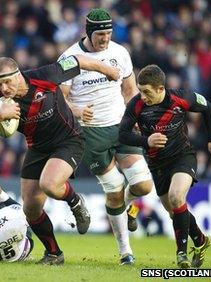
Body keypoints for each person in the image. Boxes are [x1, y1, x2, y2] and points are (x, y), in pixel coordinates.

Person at [0, 55, 120, 265]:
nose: (3, 88)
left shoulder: (45, 75)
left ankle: (75, 202)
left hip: (69, 140)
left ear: (18, 74)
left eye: (7, 81)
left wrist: (108, 70)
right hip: (37, 149)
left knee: (49, 184)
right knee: (30, 208)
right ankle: (54, 254)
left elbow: (77, 60)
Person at [59, 8, 154, 265]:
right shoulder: (69, 58)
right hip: (91, 134)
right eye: (100, 34)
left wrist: (136, 119)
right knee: (114, 189)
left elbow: (130, 90)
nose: (105, 39)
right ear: (89, 32)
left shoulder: (119, 52)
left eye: (109, 33)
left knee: (143, 186)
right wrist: (77, 110)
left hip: (121, 126)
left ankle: (124, 207)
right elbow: (60, 99)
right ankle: (126, 252)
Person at [119, 64, 211, 268]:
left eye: (147, 92)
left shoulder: (180, 98)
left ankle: (181, 254)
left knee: (176, 197)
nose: (143, 96)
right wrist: (146, 141)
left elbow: (206, 106)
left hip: (182, 156)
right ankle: (200, 240)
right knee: (174, 211)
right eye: (140, 91)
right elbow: (122, 134)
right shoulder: (137, 105)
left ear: (160, 88)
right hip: (157, 165)